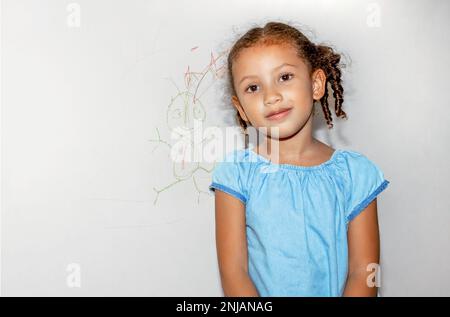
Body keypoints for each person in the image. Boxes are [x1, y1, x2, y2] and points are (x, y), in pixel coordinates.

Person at [208, 21, 390, 297]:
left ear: (316, 84)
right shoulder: (236, 174)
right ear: (241, 109)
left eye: (284, 77)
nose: (271, 96)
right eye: (253, 88)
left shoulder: (355, 174)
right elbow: (234, 273)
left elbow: (365, 270)